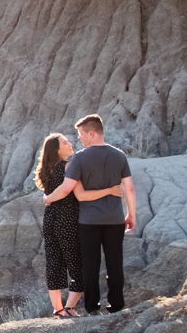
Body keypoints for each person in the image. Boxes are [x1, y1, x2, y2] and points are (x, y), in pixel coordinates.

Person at [35, 133, 126, 317]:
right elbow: (78, 194)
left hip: (50, 219)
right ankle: (69, 307)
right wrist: (109, 190)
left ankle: (58, 309)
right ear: (56, 149)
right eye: (64, 142)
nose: (70, 144)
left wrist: (47, 199)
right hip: (68, 219)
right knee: (78, 265)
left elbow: (53, 194)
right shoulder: (70, 165)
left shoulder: (45, 170)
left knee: (54, 263)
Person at [61, 113, 137, 313]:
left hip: (88, 221)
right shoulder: (119, 155)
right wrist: (131, 215)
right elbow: (129, 189)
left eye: (81, 134)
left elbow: (69, 188)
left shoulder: (80, 158)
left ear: (92, 133)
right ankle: (116, 306)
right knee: (115, 263)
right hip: (114, 220)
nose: (79, 138)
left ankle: (92, 307)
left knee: (90, 265)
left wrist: (49, 197)